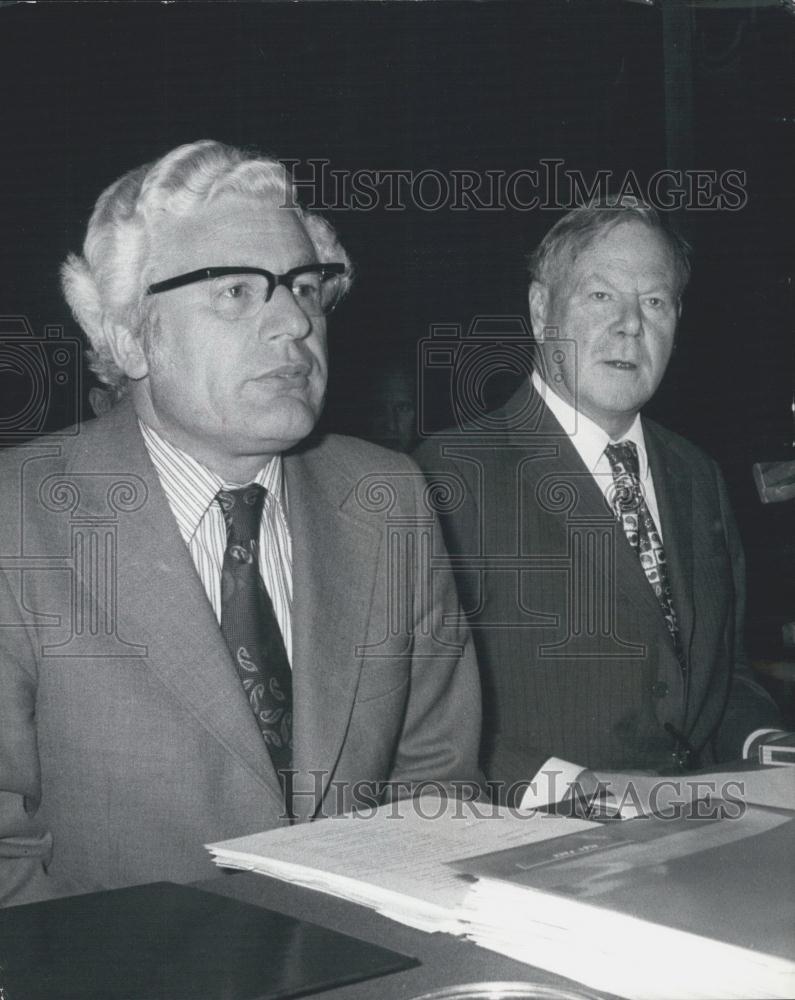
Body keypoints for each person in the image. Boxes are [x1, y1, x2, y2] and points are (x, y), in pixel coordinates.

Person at [0, 140, 482, 906]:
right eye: (234, 292)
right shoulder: (18, 520)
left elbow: (435, 786)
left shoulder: (388, 498)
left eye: (305, 287)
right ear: (128, 339)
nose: (293, 321)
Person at [415, 200, 779, 803]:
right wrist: (574, 785)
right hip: (538, 854)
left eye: (655, 301)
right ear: (540, 310)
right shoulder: (447, 477)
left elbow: (725, 678)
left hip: (702, 839)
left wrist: (765, 741)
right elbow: (418, 710)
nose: (631, 325)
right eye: (600, 296)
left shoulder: (699, 475)